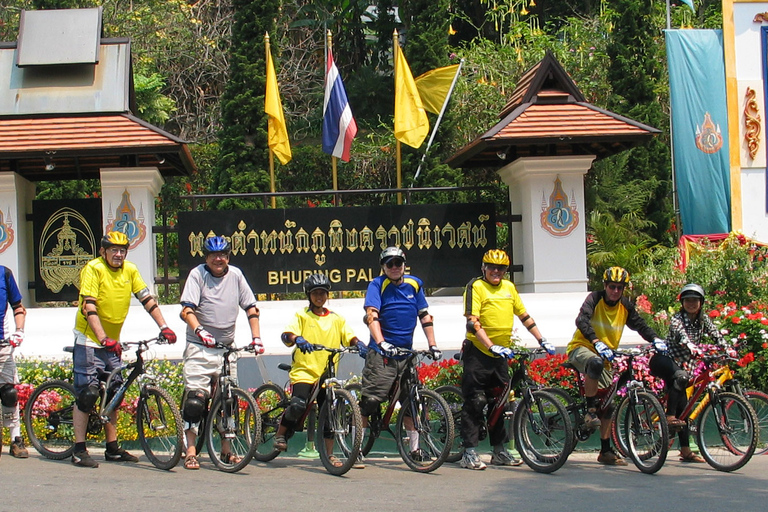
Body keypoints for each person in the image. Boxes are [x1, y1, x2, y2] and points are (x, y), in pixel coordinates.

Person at [72, 231, 177, 468]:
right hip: (89, 339)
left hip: (112, 341)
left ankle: (112, 448)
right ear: (103, 251)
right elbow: (89, 307)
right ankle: (79, 450)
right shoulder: (94, 268)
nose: (118, 254)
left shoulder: (130, 270)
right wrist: (102, 338)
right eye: (113, 250)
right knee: (88, 395)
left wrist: (165, 326)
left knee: (115, 394)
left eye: (122, 250)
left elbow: (147, 298)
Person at [459, 249, 555, 470]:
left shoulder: (509, 287)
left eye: (501, 268)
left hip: (501, 355)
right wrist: (491, 345)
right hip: (479, 352)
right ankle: (469, 452)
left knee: (500, 402)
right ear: (483, 268)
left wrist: (542, 339)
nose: (496, 271)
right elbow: (472, 323)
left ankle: (499, 451)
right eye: (491, 267)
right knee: (476, 401)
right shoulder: (475, 287)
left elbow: (524, 316)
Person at [566, 266, 667, 466]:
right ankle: (590, 411)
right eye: (612, 287)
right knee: (594, 363)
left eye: (619, 288)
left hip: (605, 356)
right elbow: (582, 320)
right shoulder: (594, 299)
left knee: (609, 404)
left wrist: (656, 339)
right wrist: (596, 341)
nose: (615, 291)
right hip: (582, 348)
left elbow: (640, 325)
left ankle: (605, 451)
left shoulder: (625, 306)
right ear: (605, 286)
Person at [179, 235, 262, 470]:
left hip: (227, 348)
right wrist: (200, 330)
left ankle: (226, 451)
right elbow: (187, 310)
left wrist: (256, 338)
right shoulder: (198, 275)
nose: (219, 259)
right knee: (196, 401)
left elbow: (251, 307)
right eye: (214, 255)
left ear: (228, 257)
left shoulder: (235, 275)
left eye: (223, 255)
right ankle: (191, 451)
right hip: (200, 346)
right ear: (206, 257)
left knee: (229, 401)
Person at [358, 246, 441, 466]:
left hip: (406, 353)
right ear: (383, 267)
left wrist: (433, 345)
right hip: (382, 353)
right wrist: (381, 341)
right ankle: (356, 447)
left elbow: (424, 315)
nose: (394, 267)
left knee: (410, 399)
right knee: (371, 401)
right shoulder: (377, 285)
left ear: (404, 264)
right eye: (389, 264)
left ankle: (414, 449)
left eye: (398, 263)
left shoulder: (415, 284)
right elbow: (371, 315)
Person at [272, 273, 363, 467]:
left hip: (326, 375)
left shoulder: (337, 319)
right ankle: (280, 435)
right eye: (315, 293)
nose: (319, 297)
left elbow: (349, 336)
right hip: (304, 371)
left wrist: (360, 344)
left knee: (329, 412)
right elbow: (287, 334)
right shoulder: (302, 316)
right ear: (308, 295)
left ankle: (329, 455)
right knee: (297, 405)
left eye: (323, 293)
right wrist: (297, 339)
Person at [648, 283, 736, 463]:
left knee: (685, 407)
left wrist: (728, 349)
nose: (691, 303)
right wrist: (690, 345)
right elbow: (680, 334)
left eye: (695, 300)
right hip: (663, 360)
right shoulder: (677, 319)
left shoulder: (703, 320)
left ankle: (686, 451)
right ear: (682, 302)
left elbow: (716, 335)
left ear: (701, 302)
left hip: (683, 366)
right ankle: (669, 416)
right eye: (687, 300)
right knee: (680, 377)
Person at [0, 265, 28, 459]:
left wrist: (19, 331)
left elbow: (18, 307)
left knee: (9, 393)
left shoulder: (4, 273)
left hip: (2, 346)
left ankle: (15, 438)